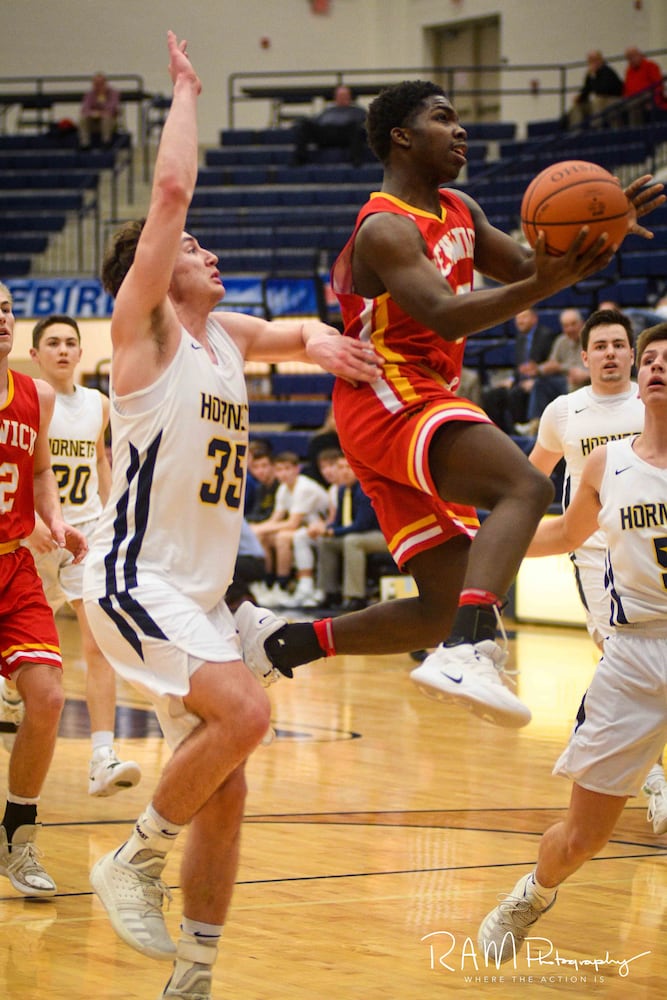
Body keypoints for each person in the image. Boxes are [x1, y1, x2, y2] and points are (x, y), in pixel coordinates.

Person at [82, 33, 382, 1000]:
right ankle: (131, 860)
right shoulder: (149, 329)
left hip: (201, 598)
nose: (209, 256)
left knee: (230, 776)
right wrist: (183, 91)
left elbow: (288, 332)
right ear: (159, 271)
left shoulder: (221, 338)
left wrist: (327, 344)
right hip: (136, 579)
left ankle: (196, 975)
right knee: (247, 712)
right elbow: (169, 198)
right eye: (198, 251)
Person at [235, 80, 664, 729]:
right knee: (522, 483)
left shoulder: (459, 207)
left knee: (439, 599)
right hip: (387, 391)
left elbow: (526, 264)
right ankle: (469, 646)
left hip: (413, 397)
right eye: (443, 119)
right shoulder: (383, 226)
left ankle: (286, 644)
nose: (460, 131)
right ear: (401, 137)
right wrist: (543, 281)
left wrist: (595, 233)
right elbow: (441, 314)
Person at [477, 323, 667, 962]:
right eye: (653, 360)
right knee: (583, 837)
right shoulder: (605, 462)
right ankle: (532, 894)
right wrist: (480, 550)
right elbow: (559, 536)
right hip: (634, 655)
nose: (657, 367)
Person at [528, 307, 667, 834]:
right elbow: (533, 477)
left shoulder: (653, 397)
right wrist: (499, 530)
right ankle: (651, 773)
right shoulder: (564, 413)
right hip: (594, 550)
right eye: (600, 346)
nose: (610, 353)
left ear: (631, 355)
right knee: (621, 655)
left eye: (618, 345)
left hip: (650, 538)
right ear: (582, 357)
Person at [24, 313, 141, 797]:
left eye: (71, 342)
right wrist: (33, 524)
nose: (64, 350)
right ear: (35, 354)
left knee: (100, 644)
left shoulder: (98, 403)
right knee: (24, 652)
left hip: (84, 536)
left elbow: (100, 460)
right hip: (33, 535)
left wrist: (114, 519)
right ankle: (12, 700)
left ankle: (101, 754)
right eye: (52, 343)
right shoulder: (24, 400)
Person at [0, 282, 87, 897]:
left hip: (14, 567)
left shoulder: (36, 395)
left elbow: (37, 473)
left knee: (49, 697)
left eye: (5, 308)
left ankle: (17, 836)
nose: (2, 319)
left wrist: (53, 520)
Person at [310, 453, 389, 612]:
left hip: (384, 536)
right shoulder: (342, 490)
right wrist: (327, 530)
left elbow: (362, 525)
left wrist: (332, 532)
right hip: (361, 534)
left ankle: (355, 597)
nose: (345, 471)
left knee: (352, 541)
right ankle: (330, 592)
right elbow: (339, 521)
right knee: (326, 542)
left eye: (348, 467)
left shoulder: (364, 489)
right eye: (341, 467)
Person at [251, 451, 330, 607]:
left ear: (297, 469)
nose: (283, 473)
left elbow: (292, 523)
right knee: (264, 537)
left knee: (282, 537)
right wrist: (257, 530)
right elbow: (275, 519)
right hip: (304, 528)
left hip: (322, 528)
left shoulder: (304, 487)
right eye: (279, 470)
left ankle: (283, 586)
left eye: (287, 469)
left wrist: (259, 528)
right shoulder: (283, 488)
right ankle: (268, 584)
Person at [481, 307, 557, 434]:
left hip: (540, 381)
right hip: (521, 381)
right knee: (492, 395)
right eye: (518, 318)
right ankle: (498, 432)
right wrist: (511, 379)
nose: (520, 321)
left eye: (524, 317)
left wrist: (535, 379)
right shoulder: (520, 339)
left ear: (534, 318)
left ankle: (520, 431)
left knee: (515, 394)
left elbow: (551, 363)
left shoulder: (546, 335)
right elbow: (520, 367)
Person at [525, 307, 590, 424]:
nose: (570, 329)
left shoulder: (590, 340)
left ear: (582, 324)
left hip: (585, 380)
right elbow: (552, 364)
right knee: (540, 383)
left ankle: (573, 423)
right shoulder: (561, 341)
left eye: (573, 324)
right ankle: (535, 423)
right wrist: (538, 369)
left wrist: (562, 368)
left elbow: (584, 369)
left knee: (573, 383)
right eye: (566, 326)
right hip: (563, 379)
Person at [292, 85, 367, 167]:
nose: (342, 98)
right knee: (304, 124)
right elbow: (316, 121)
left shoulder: (358, 111)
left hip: (344, 135)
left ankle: (356, 161)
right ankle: (299, 159)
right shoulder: (328, 110)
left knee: (356, 128)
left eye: (344, 96)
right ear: (335, 97)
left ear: (350, 97)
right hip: (326, 134)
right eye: (339, 96)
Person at [568, 50, 623, 128]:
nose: (592, 63)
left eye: (595, 60)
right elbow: (586, 90)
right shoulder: (591, 74)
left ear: (601, 60)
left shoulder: (607, 71)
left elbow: (603, 90)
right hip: (600, 101)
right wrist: (579, 98)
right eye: (590, 61)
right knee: (577, 107)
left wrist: (593, 77)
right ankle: (575, 131)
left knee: (597, 101)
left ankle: (596, 129)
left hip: (612, 98)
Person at [624, 47, 667, 125]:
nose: (631, 60)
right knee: (620, 107)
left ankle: (636, 132)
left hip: (648, 97)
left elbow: (658, 86)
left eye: (633, 56)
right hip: (634, 99)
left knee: (633, 104)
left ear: (640, 55)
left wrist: (654, 102)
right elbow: (626, 90)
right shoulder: (629, 71)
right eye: (629, 58)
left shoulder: (651, 66)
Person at [79, 72, 121, 149]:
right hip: (94, 122)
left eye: (100, 84)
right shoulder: (89, 94)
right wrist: (94, 113)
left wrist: (100, 109)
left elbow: (111, 109)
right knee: (83, 119)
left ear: (105, 83)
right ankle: (85, 144)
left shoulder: (113, 93)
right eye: (96, 84)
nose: (98, 86)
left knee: (106, 117)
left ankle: (106, 142)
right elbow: (84, 109)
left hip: (110, 123)